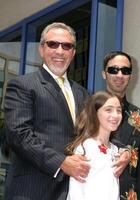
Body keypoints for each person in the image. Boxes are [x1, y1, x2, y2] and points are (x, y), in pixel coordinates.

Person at [4, 22, 90, 200]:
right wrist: (61, 162)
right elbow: (18, 134)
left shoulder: (82, 93)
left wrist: (122, 151)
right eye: (53, 44)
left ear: (73, 53)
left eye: (66, 46)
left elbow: (93, 133)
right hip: (32, 190)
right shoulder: (23, 85)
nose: (60, 51)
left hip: (73, 190)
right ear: (41, 49)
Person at [102, 51, 140, 200]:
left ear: (131, 75)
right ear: (104, 74)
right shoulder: (88, 109)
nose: (119, 75)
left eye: (125, 70)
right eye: (113, 70)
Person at [65, 91, 122, 200]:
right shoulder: (86, 147)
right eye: (108, 110)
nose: (115, 115)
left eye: (119, 110)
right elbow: (76, 192)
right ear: (95, 113)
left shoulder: (114, 149)